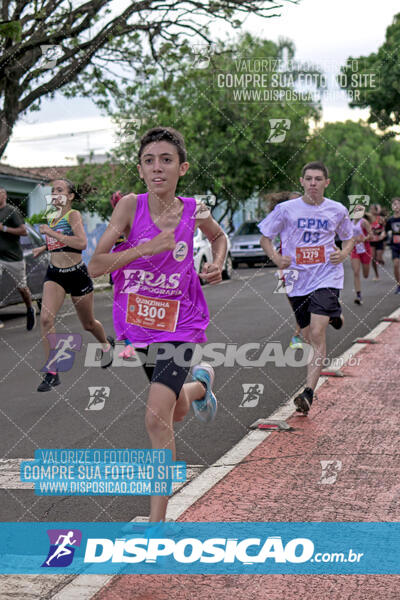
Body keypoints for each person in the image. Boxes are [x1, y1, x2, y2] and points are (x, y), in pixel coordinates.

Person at [88, 126, 227, 523]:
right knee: (176, 411)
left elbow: (218, 237)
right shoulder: (129, 208)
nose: (157, 168)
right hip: (139, 325)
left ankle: (157, 527)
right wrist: (145, 247)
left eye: (166, 160)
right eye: (149, 161)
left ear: (182, 167)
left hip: (181, 324)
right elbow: (97, 265)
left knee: (155, 417)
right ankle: (200, 385)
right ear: (140, 169)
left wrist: (216, 261)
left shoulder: (193, 209)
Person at [259, 161, 354, 415]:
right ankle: (335, 313)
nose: (313, 183)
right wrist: (277, 259)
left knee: (316, 331)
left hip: (327, 277)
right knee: (306, 334)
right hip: (295, 280)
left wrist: (343, 253)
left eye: (318, 179)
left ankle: (308, 393)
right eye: (308, 178)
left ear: (326, 182)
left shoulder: (337, 209)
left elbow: (350, 235)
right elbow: (265, 237)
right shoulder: (286, 209)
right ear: (301, 181)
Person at [32, 179, 114, 392]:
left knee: (88, 324)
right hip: (55, 275)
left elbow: (81, 243)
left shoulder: (73, 215)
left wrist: (50, 234)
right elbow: (58, 243)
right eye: (52, 190)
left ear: (70, 196)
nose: (55, 193)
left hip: (76, 275)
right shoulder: (52, 216)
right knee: (46, 318)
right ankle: (52, 371)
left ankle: (106, 344)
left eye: (59, 190)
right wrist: (44, 248)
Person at [265, 190, 303, 349]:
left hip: (310, 263)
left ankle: (299, 333)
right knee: (293, 299)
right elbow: (267, 239)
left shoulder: (310, 218)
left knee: (311, 296)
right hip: (287, 263)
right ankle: (301, 326)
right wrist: (276, 257)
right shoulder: (280, 218)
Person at [0, 186, 36, 330]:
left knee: (22, 289)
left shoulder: (11, 211)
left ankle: (29, 308)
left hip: (13, 258)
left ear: (4, 195)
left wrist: (4, 229)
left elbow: (24, 231)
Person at [350, 204, 372, 305]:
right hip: (355, 250)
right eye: (356, 210)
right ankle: (358, 295)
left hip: (365, 249)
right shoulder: (350, 223)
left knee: (366, 274)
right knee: (356, 272)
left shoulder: (364, 222)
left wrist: (364, 239)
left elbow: (371, 235)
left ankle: (367, 270)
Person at [385, 197, 400, 294]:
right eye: (394, 204)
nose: (396, 206)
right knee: (395, 265)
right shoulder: (390, 220)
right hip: (395, 246)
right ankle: (398, 285)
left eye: (398, 204)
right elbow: (386, 232)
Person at [369, 204, 386, 280]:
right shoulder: (368, 219)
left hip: (379, 240)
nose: (371, 211)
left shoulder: (380, 219)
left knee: (378, 258)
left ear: (376, 210)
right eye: (370, 209)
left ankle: (381, 260)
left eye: (373, 209)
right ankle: (376, 275)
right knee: (373, 258)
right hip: (371, 240)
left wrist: (381, 232)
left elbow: (385, 228)